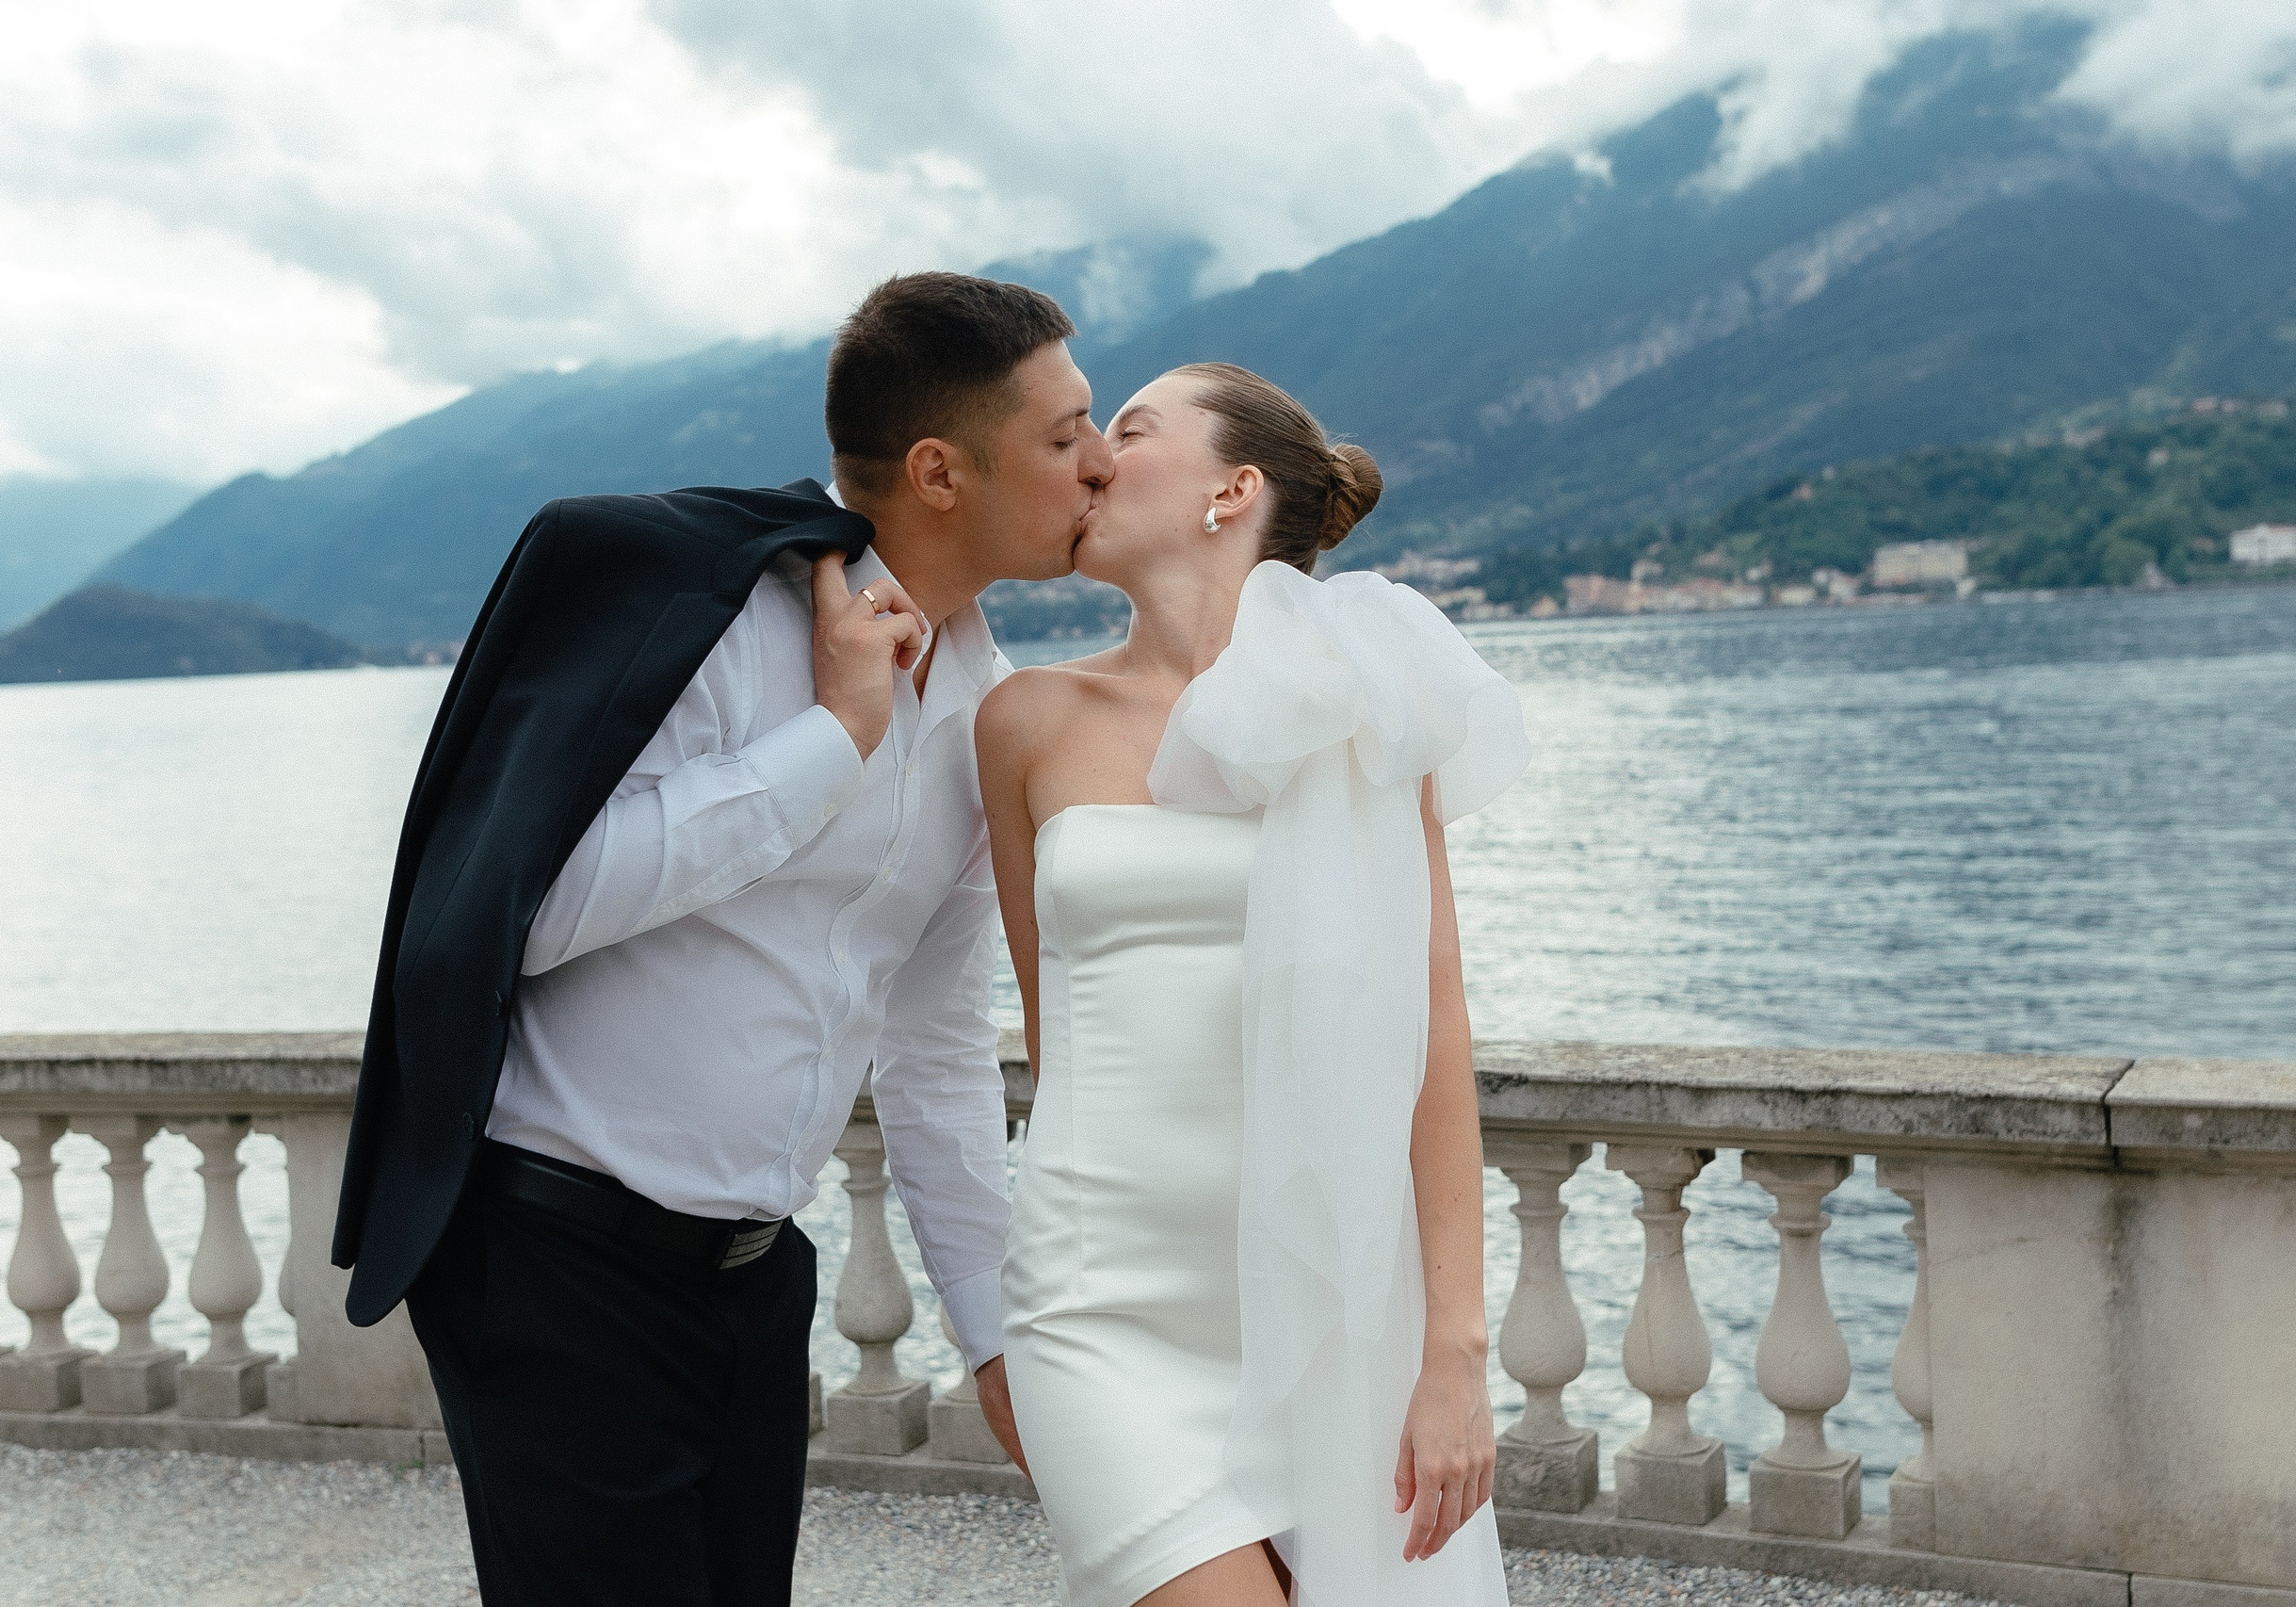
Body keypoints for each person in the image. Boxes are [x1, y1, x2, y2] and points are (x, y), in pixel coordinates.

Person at [331, 271, 1109, 1607]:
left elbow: (929, 1053)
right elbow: (530, 908)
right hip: (551, 1262)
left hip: (755, 1283)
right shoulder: (716, 621)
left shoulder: (990, 704)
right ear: (938, 470)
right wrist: (832, 744)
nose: (1100, 464)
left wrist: (994, 1339)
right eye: (1064, 435)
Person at [976, 362, 1528, 1606]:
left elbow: (1432, 1034)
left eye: (1129, 429)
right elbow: (1049, 1023)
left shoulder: (1363, 712)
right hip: (1103, 1307)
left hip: (1334, 1314)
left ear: (1232, 488)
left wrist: (1453, 1351)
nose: (1094, 459)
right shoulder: (1025, 720)